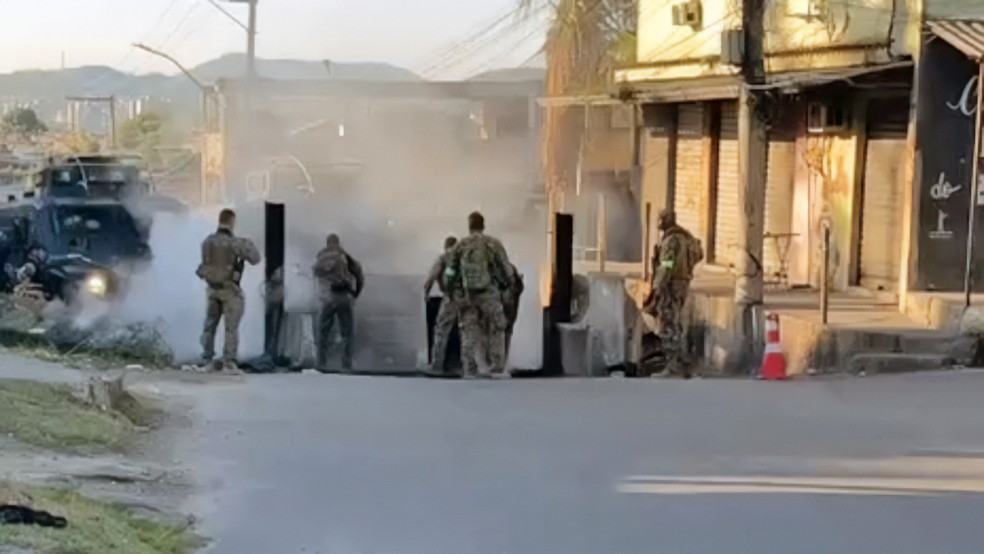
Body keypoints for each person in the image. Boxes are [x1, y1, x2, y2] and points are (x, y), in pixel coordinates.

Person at [446, 212, 515, 379]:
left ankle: (469, 368)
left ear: (469, 226)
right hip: (489, 293)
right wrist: (509, 285)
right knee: (498, 325)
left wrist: (451, 291)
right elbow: (507, 269)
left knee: (469, 329)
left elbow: (450, 271)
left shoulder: (461, 245)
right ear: (483, 225)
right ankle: (496, 367)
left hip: (468, 294)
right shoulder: (492, 243)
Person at [197, 209, 261, 374]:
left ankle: (206, 359)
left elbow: (203, 267)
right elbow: (255, 258)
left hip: (212, 289)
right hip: (229, 289)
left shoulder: (207, 242)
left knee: (210, 326)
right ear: (232, 222)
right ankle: (229, 361)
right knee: (231, 328)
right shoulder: (235, 243)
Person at [649, 209, 703, 378]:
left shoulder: (671, 240)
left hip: (670, 285)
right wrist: (687, 267)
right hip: (683, 283)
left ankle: (672, 366)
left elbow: (666, 264)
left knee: (668, 323)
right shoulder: (687, 237)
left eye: (661, 219)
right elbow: (699, 254)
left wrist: (656, 286)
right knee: (676, 321)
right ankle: (683, 364)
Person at [313, 233, 364, 372]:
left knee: (323, 330)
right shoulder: (344, 255)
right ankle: (346, 364)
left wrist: (320, 294)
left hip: (328, 296)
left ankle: (321, 362)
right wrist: (356, 293)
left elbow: (315, 274)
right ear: (338, 242)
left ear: (327, 243)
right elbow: (359, 274)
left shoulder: (321, 255)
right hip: (344, 295)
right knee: (346, 331)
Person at [424, 236, 460, 375]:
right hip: (469, 299)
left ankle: (437, 365)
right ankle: (468, 366)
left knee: (441, 330)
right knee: (469, 332)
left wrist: (426, 293)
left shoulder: (444, 258)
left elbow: (431, 279)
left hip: (451, 298)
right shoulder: (464, 258)